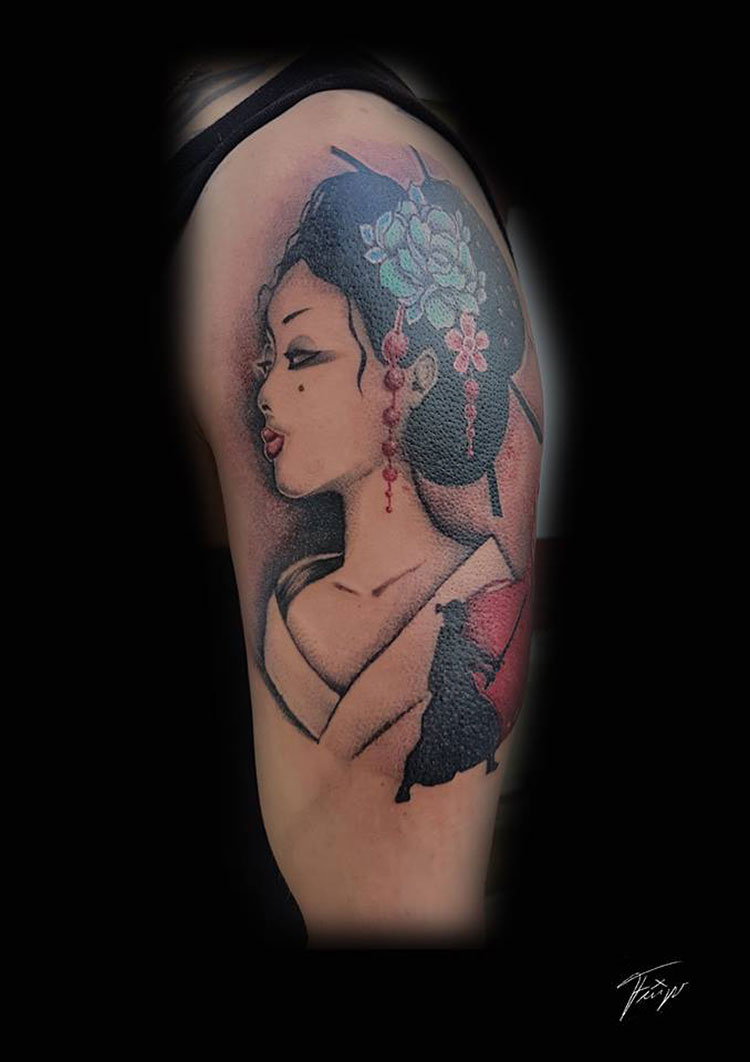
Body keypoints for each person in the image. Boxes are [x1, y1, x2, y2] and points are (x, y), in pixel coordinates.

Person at [167, 44, 544, 948]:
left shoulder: (303, 156)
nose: (266, 390)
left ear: (409, 382)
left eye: (303, 357)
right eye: (268, 357)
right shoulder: (294, 605)